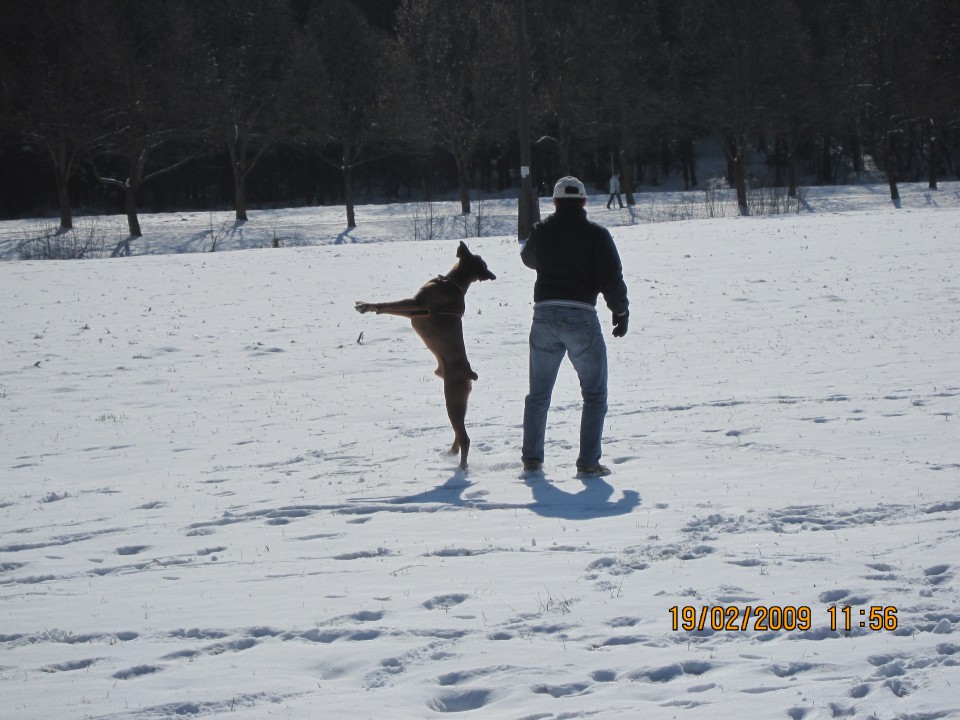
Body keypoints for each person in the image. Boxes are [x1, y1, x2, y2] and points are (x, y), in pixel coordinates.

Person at [520, 176, 629, 476]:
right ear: (584, 201)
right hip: (581, 317)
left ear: (554, 202)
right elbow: (612, 278)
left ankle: (532, 458)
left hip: (543, 317)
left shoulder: (542, 231)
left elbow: (527, 258)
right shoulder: (597, 235)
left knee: (538, 394)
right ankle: (588, 463)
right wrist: (620, 311)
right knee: (594, 394)